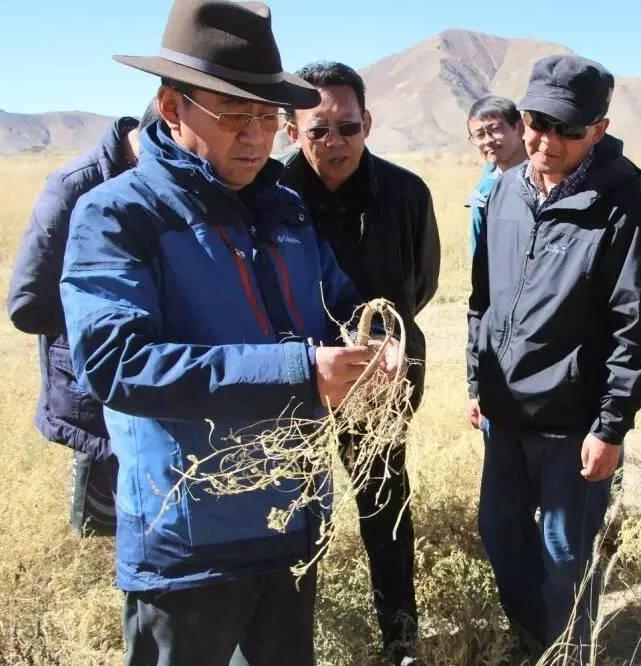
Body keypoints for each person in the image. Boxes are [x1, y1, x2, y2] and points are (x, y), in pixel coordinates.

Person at [59, 2, 393, 663]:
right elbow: (116, 363)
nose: (254, 136)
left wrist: (370, 345)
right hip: (188, 539)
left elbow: (334, 306)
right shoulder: (117, 216)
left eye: (267, 118)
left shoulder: (285, 210)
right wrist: (301, 373)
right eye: (234, 115)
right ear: (173, 107)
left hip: (288, 519)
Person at [467, 54, 641, 659]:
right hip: (505, 414)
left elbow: (638, 328)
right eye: (537, 122)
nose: (547, 141)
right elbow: (483, 300)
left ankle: (567, 652)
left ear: (598, 130)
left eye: (569, 130)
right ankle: (539, 643)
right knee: (501, 537)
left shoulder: (624, 207)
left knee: (565, 561)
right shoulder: (504, 191)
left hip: (572, 425)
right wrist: (478, 382)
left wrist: (610, 427)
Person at [280, 61, 440, 665]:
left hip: (383, 384)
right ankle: (286, 639)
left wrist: (384, 346)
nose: (335, 142)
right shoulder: (269, 196)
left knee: (385, 507)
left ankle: (400, 639)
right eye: (318, 130)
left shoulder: (405, 193)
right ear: (290, 131)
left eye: (347, 127)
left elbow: (418, 285)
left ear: (367, 122)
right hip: (292, 382)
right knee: (288, 508)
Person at [8, 101, 159, 538]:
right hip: (91, 384)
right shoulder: (73, 188)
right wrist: (108, 317)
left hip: (148, 377)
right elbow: (27, 303)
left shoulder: (156, 180)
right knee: (100, 520)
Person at [465, 95, 526, 255]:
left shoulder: (548, 176)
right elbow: (479, 253)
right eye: (479, 135)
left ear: (520, 128)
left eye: (495, 129)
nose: (488, 141)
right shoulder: (485, 190)